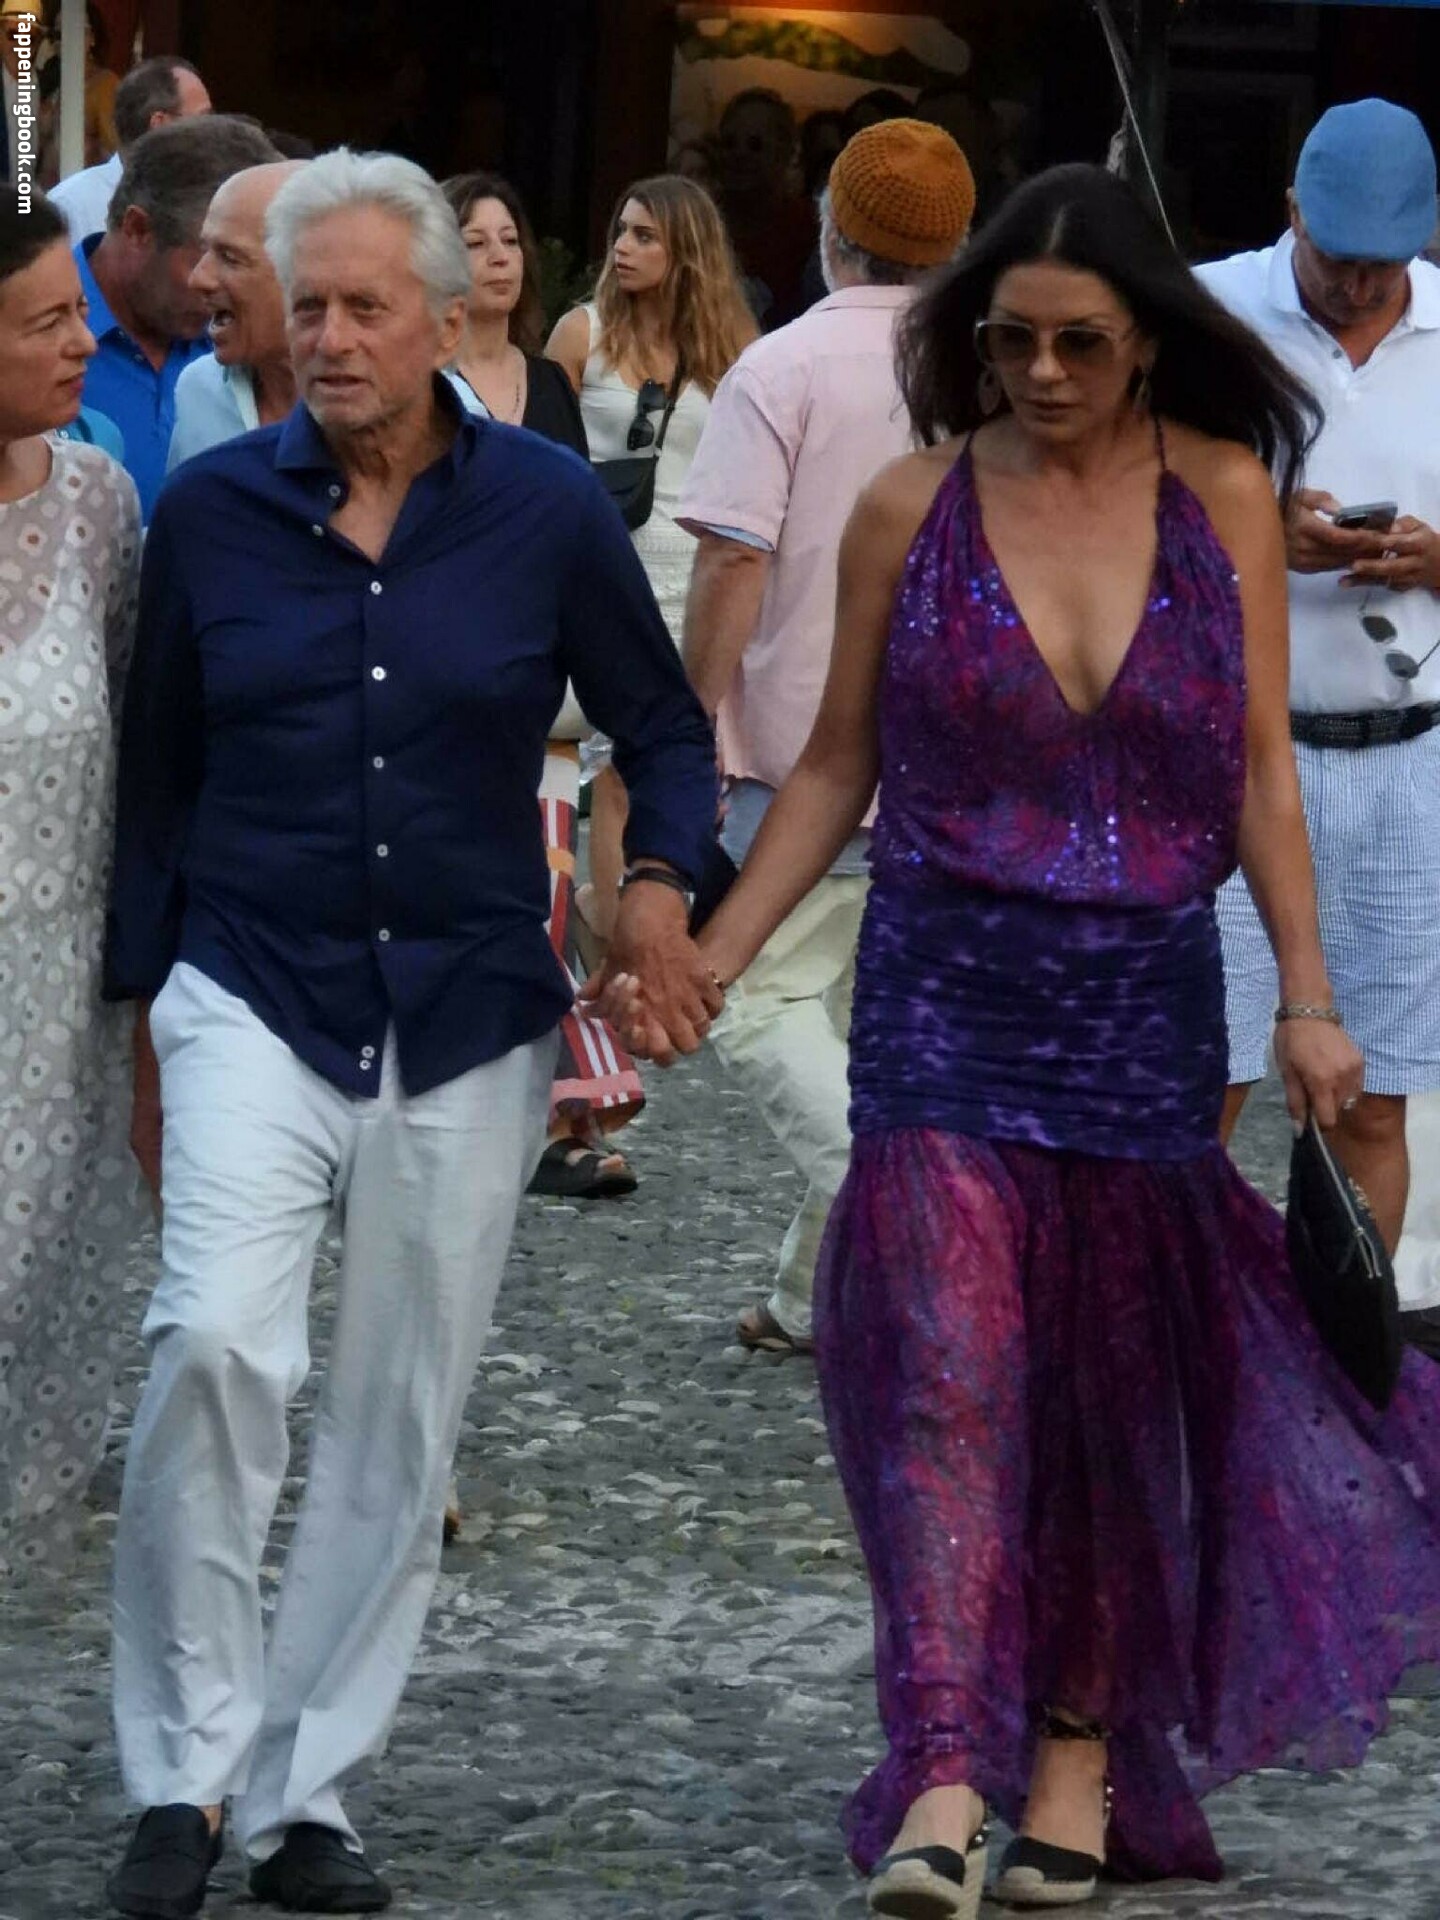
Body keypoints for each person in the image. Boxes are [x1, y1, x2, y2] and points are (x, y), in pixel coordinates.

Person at [618, 163, 1440, 1915]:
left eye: (1079, 342)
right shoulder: (908, 506)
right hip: (941, 1006)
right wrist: (713, 953)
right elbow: (836, 764)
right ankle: (938, 1763)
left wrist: (1308, 998)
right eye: (1009, 343)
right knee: (947, 1374)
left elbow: (1258, 771)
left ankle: (1073, 1744)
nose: (1042, 373)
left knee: (1104, 1403)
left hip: (1140, 1015)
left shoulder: (1224, 495)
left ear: (1148, 342)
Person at [102, 147, 719, 1919]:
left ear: (448, 319)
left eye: (366, 306)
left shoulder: (547, 509)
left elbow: (665, 728)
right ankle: (181, 1776)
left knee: (397, 1407)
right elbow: (157, 784)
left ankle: (305, 1795)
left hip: (463, 1008)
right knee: (214, 1346)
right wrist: (139, 1028)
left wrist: (657, 887)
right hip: (251, 982)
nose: (331, 337)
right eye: (307, 306)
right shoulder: (213, 514)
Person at [677, 119, 976, 1358]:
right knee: (858, 1027)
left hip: (798, 753)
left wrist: (686, 722)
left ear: (826, 226)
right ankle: (811, 1298)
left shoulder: (782, 366)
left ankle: (901, 1220)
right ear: (959, 242)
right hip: (950, 753)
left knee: (753, 1003)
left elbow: (732, 560)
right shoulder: (986, 369)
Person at [1197, 100, 1440, 1260]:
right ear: (1292, 210)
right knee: (1200, 1090)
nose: (1356, 285)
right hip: (1234, 754)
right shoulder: (1205, 312)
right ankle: (1172, 1342)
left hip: (1410, 754)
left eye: (1382, 264)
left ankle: (1345, 1357)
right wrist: (1249, 526)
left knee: (1376, 1100)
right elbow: (1103, 502)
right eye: (1336, 255)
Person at [444, 168, 646, 1203]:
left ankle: (555, 1108)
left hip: (552, 672)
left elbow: (583, 529)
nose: (497, 257)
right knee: (508, 891)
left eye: (509, 239)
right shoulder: (421, 379)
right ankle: (547, 1108)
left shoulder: (547, 381)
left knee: (551, 891)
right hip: (457, 666)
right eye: (473, 239)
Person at [0, 186, 144, 1579]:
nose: (80, 344)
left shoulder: (101, 505)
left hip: (57, 1003)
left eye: (78, 314)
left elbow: (137, 726)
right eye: (44, 322)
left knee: (33, 1273)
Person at [547, 173, 754, 954]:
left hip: (699, 573)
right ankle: (616, 938)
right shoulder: (582, 332)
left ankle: (638, 918)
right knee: (615, 765)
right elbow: (545, 451)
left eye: (645, 236)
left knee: (681, 760)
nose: (623, 250)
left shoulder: (738, 348)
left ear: (687, 251)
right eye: (620, 233)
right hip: (606, 567)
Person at [76, 113, 278, 521]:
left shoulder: (256, 344)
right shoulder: (24, 330)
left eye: (236, 261)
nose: (212, 282)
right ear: (137, 229)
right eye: (209, 256)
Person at [167, 159, 305, 466]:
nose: (198, 278)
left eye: (230, 257)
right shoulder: (199, 390)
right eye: (205, 250)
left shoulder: (398, 400)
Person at [49, 54, 212, 247]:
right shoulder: (71, 206)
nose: (212, 129)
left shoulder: (210, 200)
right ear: (160, 125)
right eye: (203, 118)